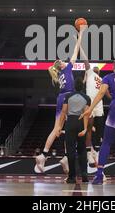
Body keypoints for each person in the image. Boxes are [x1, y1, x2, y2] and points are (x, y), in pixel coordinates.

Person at [35, 27, 86, 174]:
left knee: (58, 129)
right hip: (69, 98)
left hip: (61, 97)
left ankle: (44, 155)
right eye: (64, 61)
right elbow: (75, 52)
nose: (66, 61)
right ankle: (62, 156)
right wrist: (80, 35)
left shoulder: (60, 73)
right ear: (62, 65)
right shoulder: (67, 69)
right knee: (72, 129)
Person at [56, 77, 90, 184]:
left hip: (70, 122)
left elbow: (63, 113)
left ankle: (72, 177)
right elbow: (86, 114)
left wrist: (59, 127)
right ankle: (84, 175)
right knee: (82, 150)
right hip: (81, 122)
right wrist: (85, 129)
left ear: (74, 86)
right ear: (82, 87)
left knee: (70, 150)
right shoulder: (87, 98)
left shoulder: (68, 96)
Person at [81, 48, 105, 165]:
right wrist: (80, 46)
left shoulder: (102, 80)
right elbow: (85, 60)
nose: (95, 68)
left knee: (99, 130)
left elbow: (107, 93)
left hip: (99, 105)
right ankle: (88, 153)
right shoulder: (90, 73)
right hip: (90, 104)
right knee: (89, 128)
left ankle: (96, 151)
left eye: (97, 68)